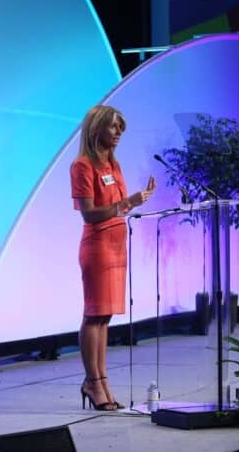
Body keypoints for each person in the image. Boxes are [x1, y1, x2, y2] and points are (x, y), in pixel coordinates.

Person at [70, 105, 155, 411]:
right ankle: (92, 382)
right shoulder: (82, 166)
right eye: (114, 127)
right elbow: (90, 213)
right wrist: (125, 203)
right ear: (97, 129)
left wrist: (134, 201)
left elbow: (117, 206)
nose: (118, 133)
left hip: (117, 245)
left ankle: (101, 380)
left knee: (105, 317)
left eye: (121, 128)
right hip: (97, 245)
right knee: (94, 315)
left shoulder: (114, 166)